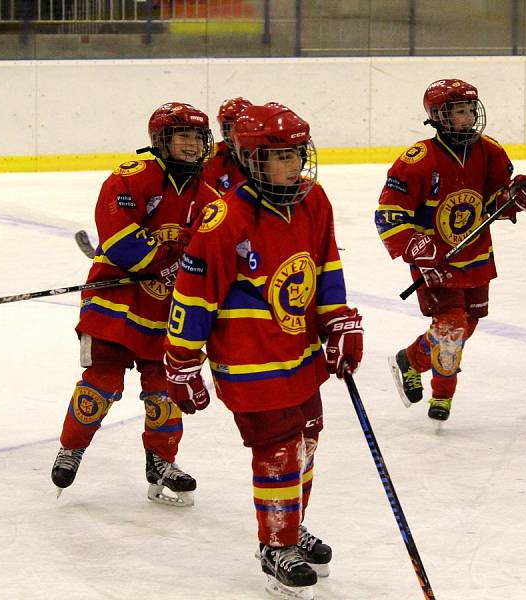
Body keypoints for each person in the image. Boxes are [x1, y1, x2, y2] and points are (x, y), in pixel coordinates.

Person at [163, 103, 363, 598]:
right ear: (252, 160)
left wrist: (337, 321)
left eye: (298, 153)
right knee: (276, 449)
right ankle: (276, 547)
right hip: (249, 360)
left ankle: (292, 526)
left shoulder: (315, 202)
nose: (294, 164)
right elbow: (193, 295)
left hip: (300, 354)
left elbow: (326, 267)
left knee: (307, 441)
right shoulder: (225, 218)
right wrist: (182, 362)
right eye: (280, 156)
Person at [50, 102, 220, 506]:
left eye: (198, 138)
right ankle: (72, 447)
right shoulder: (133, 177)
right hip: (115, 296)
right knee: (101, 383)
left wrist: (187, 268)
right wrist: (171, 261)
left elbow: (214, 250)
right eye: (183, 137)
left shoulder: (211, 195)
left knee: (164, 388)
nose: (193, 146)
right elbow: (121, 241)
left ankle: (161, 461)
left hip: (166, 310)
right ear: (161, 141)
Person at [376, 79, 526, 423]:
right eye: (458, 112)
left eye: (469, 110)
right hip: (436, 263)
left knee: (466, 326)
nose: (467, 118)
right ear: (439, 117)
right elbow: (389, 214)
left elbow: (497, 200)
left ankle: (410, 359)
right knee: (449, 328)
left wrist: (515, 198)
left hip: (476, 257)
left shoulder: (491, 151)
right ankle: (442, 395)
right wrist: (416, 248)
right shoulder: (418, 159)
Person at [201, 96, 252, 194]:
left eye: (240, 127)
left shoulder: (266, 155)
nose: (234, 134)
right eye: (229, 127)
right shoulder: (210, 156)